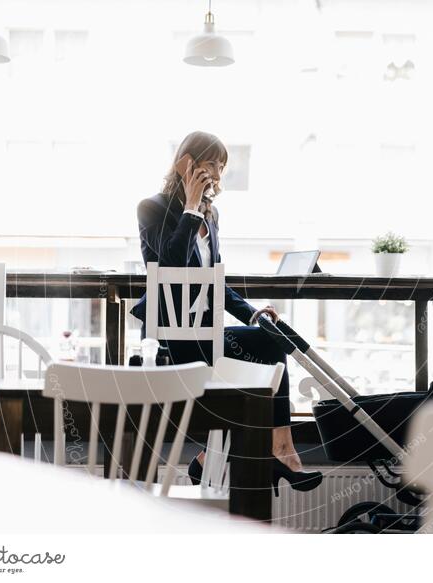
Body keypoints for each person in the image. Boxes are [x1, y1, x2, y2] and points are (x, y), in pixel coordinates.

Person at [130, 130, 322, 495]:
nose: (218, 174)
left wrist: (251, 314)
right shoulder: (151, 208)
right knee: (255, 373)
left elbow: (212, 280)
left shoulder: (212, 215)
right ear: (186, 163)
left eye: (222, 166)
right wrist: (189, 206)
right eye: (211, 164)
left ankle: (274, 449)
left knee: (270, 342)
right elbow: (171, 263)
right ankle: (220, 457)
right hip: (171, 338)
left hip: (208, 336)